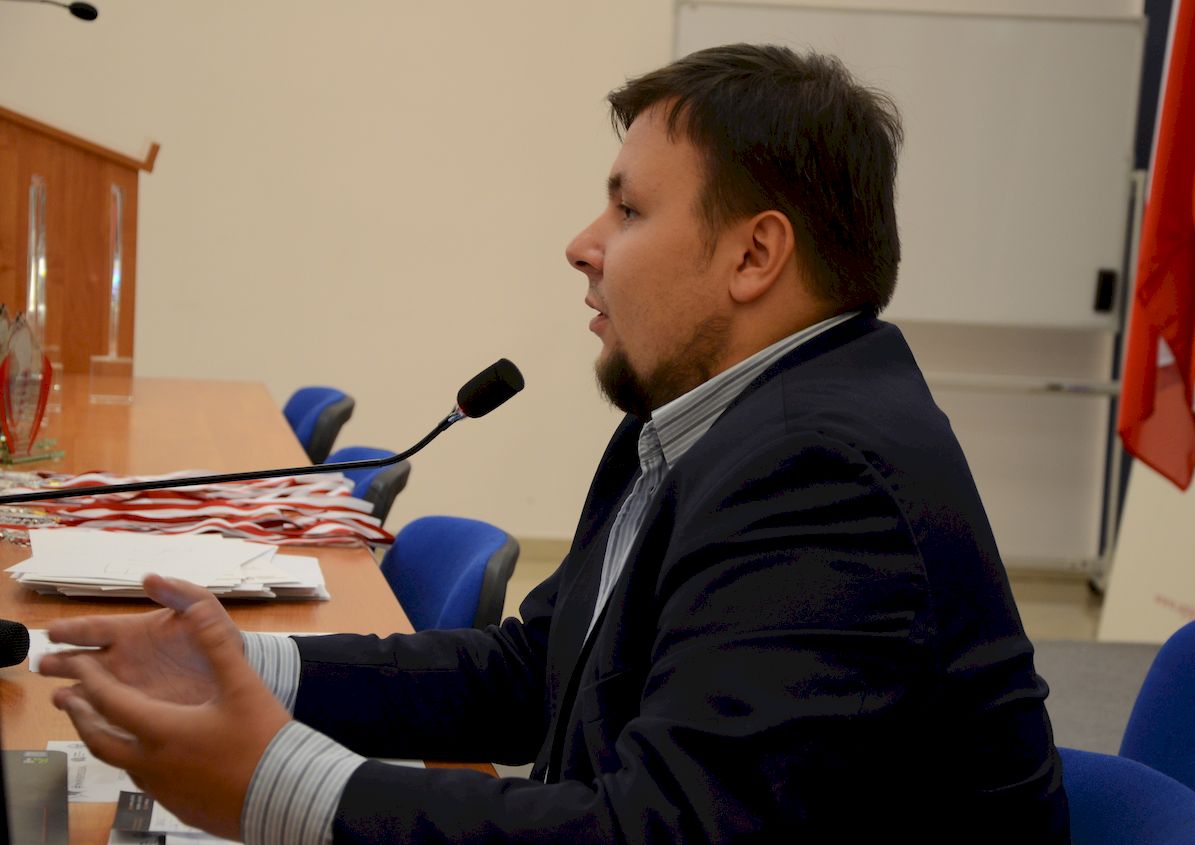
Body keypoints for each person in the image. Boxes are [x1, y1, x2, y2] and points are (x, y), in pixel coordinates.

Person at [40, 44, 1069, 843]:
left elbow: (660, 833)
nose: (582, 244)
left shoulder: (821, 473)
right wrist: (246, 665)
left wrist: (277, 783)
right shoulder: (704, 421)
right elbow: (541, 671)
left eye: (629, 208)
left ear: (755, 254)